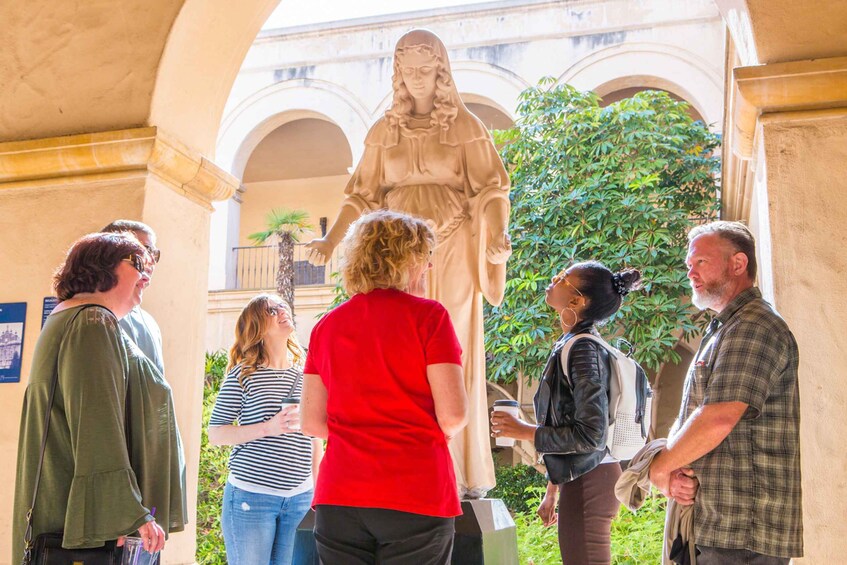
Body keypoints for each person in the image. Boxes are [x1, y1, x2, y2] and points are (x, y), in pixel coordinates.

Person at [305, 28, 510, 498]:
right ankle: (407, 464)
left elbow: (492, 188)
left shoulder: (465, 127)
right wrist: (332, 240)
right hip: (388, 257)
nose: (417, 80)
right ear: (398, 74)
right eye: (408, 71)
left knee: (448, 348)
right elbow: (361, 196)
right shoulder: (383, 132)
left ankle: (457, 473)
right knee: (388, 349)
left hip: (452, 248)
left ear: (441, 73)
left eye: (426, 70)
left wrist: (496, 233)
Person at [301, 210, 468, 564]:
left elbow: (312, 423)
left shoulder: (325, 326)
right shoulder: (429, 317)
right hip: (416, 488)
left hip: (340, 493)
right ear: (405, 259)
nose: (429, 268)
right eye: (425, 258)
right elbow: (453, 414)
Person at [12, 232, 186, 563]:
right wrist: (124, 512)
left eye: (150, 264)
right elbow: (97, 424)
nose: (146, 275)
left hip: (72, 512)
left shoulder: (75, 318)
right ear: (101, 266)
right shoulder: (91, 321)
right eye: (137, 263)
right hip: (83, 525)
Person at [649, 221, 803, 564]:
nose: (690, 272)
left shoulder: (753, 324)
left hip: (742, 532)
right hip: (719, 526)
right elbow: (699, 420)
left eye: (700, 262)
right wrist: (677, 474)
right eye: (689, 264)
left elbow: (717, 418)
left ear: (738, 264)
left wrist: (662, 467)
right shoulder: (725, 328)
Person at [491, 261, 642, 565]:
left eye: (562, 278)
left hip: (590, 482)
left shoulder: (583, 350)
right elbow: (570, 423)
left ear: (577, 301)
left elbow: (589, 435)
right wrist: (553, 489)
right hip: (584, 478)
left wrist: (524, 430)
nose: (552, 278)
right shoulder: (574, 344)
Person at [208, 294, 323, 565]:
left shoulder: (307, 373)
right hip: (251, 496)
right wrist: (268, 427)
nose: (282, 311)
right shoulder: (243, 374)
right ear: (257, 326)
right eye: (272, 310)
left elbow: (315, 439)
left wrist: (317, 494)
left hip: (300, 498)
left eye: (283, 306)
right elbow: (216, 433)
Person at [101, 220, 165, 374]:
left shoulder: (150, 324)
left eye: (153, 253)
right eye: (142, 251)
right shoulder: (91, 317)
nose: (150, 262)